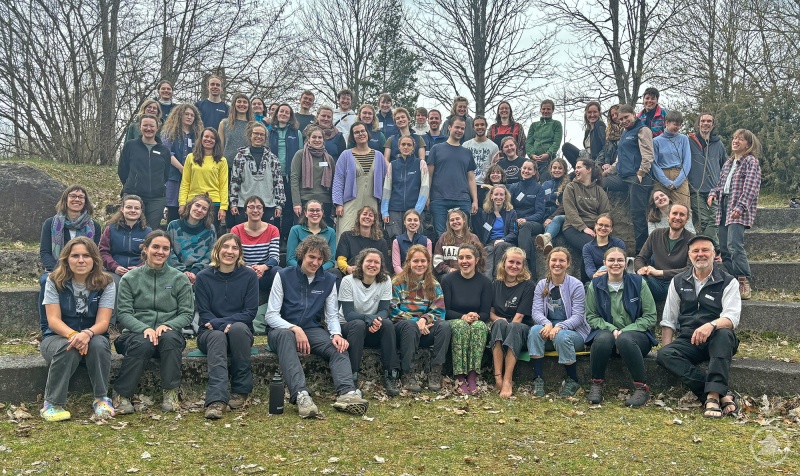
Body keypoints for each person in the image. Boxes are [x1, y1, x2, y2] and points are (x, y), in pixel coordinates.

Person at [264, 235, 370, 418]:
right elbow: (271, 315)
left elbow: (331, 315)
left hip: (312, 330)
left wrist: (336, 334)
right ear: (302, 255)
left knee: (339, 347)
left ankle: (347, 393)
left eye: (320, 259)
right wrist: (294, 328)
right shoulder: (283, 275)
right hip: (281, 330)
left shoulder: (328, 280)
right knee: (286, 336)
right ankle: (301, 395)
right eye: (311, 257)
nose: (315, 262)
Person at [656, 235, 741, 418]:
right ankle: (720, 393)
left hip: (719, 339)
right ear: (689, 255)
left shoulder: (728, 281)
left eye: (705, 250)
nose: (700, 254)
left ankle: (711, 396)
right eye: (695, 251)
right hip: (689, 340)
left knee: (724, 333)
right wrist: (668, 347)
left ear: (714, 254)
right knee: (664, 354)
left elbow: (732, 318)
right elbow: (668, 319)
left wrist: (710, 325)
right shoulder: (678, 281)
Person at [113, 230, 194, 414]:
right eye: (155, 247)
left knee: (170, 337)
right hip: (135, 336)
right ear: (145, 248)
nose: (160, 252)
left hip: (168, 336)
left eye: (165, 248)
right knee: (144, 341)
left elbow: (187, 313)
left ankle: (171, 393)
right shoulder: (130, 278)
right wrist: (145, 328)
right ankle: (121, 394)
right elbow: (124, 314)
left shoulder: (179, 278)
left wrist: (169, 325)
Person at [39, 237, 116, 421]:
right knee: (68, 348)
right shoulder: (53, 280)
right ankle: (52, 404)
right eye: (75, 256)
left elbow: (103, 322)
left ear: (94, 260)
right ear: (66, 259)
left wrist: (87, 333)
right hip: (56, 336)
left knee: (98, 344)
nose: (81, 260)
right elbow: (53, 320)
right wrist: (74, 335)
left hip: (93, 334)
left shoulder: (106, 282)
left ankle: (101, 399)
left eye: (86, 256)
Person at [194, 234, 259, 419]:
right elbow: (205, 314)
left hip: (239, 332)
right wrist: (222, 326)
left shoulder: (249, 276)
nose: (230, 251)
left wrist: (225, 323)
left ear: (240, 253)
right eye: (226, 247)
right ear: (217, 250)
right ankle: (216, 400)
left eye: (234, 248)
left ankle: (241, 390)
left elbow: (250, 312)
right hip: (209, 333)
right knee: (217, 336)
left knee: (238, 328)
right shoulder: (203, 277)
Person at [585, 247, 657, 407]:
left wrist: (625, 331)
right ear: (604, 263)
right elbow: (591, 316)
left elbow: (650, 316)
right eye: (611, 260)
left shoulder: (639, 283)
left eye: (619, 260)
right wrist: (612, 329)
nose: (615, 263)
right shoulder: (594, 285)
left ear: (626, 263)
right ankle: (596, 384)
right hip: (608, 338)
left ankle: (641, 388)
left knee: (624, 339)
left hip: (636, 339)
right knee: (603, 338)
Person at [39, 186, 103, 333]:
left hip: (84, 269)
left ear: (85, 202)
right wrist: (58, 271)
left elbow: (95, 254)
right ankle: (46, 327)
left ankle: (92, 326)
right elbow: (45, 252)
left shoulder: (95, 226)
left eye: (81, 197)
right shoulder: (50, 223)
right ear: (65, 199)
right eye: (73, 196)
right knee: (45, 281)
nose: (77, 199)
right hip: (57, 268)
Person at [527, 247, 590, 397]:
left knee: (560, 336)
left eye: (562, 260)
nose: (557, 263)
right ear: (548, 262)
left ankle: (573, 380)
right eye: (554, 260)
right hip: (549, 330)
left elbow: (578, 316)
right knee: (535, 331)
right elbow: (536, 311)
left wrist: (560, 326)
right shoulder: (542, 285)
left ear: (568, 263)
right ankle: (538, 379)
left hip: (574, 334)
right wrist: (547, 324)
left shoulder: (576, 285)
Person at [709, 129, 762, 300]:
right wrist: (713, 193)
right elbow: (721, 184)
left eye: (740, 139)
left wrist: (740, 207)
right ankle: (732, 282)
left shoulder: (750, 161)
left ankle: (743, 280)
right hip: (724, 206)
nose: (736, 141)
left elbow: (751, 188)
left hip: (738, 209)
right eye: (734, 138)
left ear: (748, 144)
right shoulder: (728, 163)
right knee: (724, 247)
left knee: (734, 245)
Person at [338, 248, 399, 395]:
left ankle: (390, 373)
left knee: (388, 324)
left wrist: (376, 321)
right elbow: (348, 314)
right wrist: (370, 319)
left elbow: (384, 310)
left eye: (376, 262)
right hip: (349, 326)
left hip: (373, 326)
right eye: (369, 261)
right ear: (361, 263)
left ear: (381, 265)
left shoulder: (385, 280)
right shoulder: (348, 281)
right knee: (358, 325)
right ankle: (352, 375)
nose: (372, 265)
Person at [391, 245, 451, 392]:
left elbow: (439, 311)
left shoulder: (434, 284)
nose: (419, 264)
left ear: (428, 263)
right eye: (415, 261)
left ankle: (436, 371)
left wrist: (424, 319)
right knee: (410, 327)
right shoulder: (397, 282)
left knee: (444, 326)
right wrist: (416, 322)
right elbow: (392, 309)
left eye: (423, 261)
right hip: (403, 330)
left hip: (425, 329)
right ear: (408, 262)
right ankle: (407, 372)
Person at [602, 104, 654, 253]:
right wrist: (605, 173)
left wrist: (641, 173)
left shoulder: (642, 130)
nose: (624, 121)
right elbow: (619, 160)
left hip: (638, 178)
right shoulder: (625, 133)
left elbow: (648, 156)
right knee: (599, 182)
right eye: (621, 119)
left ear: (634, 114)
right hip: (622, 176)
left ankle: (641, 252)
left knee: (637, 215)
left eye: (626, 117)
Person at [441, 244, 492, 394]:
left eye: (468, 257)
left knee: (480, 327)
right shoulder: (448, 280)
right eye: (461, 258)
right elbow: (445, 310)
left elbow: (485, 313)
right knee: (461, 326)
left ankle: (472, 375)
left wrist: (475, 316)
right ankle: (459, 376)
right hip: (454, 319)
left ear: (476, 260)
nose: (464, 261)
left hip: (476, 320)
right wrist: (463, 317)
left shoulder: (485, 282)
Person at [489, 247, 535, 398]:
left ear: (523, 266)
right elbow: (490, 312)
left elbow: (520, 316)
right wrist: (498, 319)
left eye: (518, 263)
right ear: (504, 262)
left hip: (520, 327)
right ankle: (498, 376)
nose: (514, 266)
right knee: (498, 324)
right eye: (511, 262)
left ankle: (508, 379)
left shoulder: (528, 285)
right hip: (500, 327)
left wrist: (507, 326)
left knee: (514, 327)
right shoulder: (495, 284)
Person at [332, 122, 387, 240]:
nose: (360, 134)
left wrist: (383, 206)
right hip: (350, 202)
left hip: (372, 201)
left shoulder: (379, 156)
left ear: (367, 133)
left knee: (370, 235)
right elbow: (338, 180)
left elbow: (385, 182)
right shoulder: (345, 155)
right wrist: (338, 203)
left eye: (363, 131)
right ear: (352, 136)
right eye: (356, 132)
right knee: (345, 233)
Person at [118, 114, 171, 229]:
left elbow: (166, 174)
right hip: (133, 194)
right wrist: (132, 184)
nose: (148, 128)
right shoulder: (130, 146)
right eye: (145, 125)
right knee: (130, 227)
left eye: (152, 126)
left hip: (157, 198)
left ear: (157, 128)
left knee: (151, 231)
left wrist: (158, 185)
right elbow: (122, 170)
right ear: (139, 127)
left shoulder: (164, 150)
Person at [428, 117, 479, 238]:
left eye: (462, 128)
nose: (459, 130)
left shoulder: (467, 152)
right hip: (439, 199)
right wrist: (427, 196)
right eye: (457, 127)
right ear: (449, 127)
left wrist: (475, 200)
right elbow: (429, 176)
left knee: (463, 236)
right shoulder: (436, 149)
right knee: (442, 236)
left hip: (462, 199)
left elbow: (471, 178)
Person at [229, 121, 285, 227]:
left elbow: (278, 183)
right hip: (244, 205)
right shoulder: (240, 156)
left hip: (268, 205)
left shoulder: (272, 158)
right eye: (256, 133)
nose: (258, 136)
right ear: (250, 135)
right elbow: (235, 181)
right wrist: (233, 203)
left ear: (265, 137)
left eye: (262, 134)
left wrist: (279, 205)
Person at [634, 203, 693, 301]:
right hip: (655, 281)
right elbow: (640, 258)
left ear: (686, 220)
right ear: (668, 216)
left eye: (682, 215)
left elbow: (690, 269)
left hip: (677, 282)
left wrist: (660, 272)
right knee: (637, 281)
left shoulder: (692, 240)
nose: (677, 217)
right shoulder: (656, 234)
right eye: (674, 213)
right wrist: (642, 269)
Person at [561, 158, 611, 269]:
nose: (575, 170)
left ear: (589, 169)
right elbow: (570, 212)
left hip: (595, 228)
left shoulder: (599, 191)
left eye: (579, 167)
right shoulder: (571, 187)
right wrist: (584, 228)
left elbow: (605, 213)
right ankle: (589, 281)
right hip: (573, 227)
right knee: (590, 246)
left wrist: (599, 227)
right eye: (575, 168)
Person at [229, 195, 281, 301]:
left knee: (278, 271)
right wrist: (247, 269)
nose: (255, 210)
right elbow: (233, 256)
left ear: (263, 211)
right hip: (243, 272)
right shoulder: (236, 230)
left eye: (259, 207)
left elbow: (275, 257)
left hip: (263, 273)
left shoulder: (273, 230)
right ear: (245, 211)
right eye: (251, 207)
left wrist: (262, 268)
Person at [179, 127, 228, 234]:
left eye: (212, 138)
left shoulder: (222, 160)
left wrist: (223, 207)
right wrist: (182, 203)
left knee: (210, 235)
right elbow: (185, 183)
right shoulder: (190, 157)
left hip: (214, 203)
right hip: (192, 202)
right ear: (201, 138)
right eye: (206, 136)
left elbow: (223, 185)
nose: (209, 140)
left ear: (216, 141)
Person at [160, 103, 204, 223]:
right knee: (173, 207)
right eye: (186, 114)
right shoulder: (170, 132)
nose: (189, 117)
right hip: (173, 175)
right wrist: (181, 167)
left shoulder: (198, 135)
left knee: (190, 207)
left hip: (192, 177)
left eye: (192, 115)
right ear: (180, 115)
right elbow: (166, 152)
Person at [381, 135, 430, 239]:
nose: (406, 147)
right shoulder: (392, 165)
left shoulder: (421, 164)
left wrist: (417, 211)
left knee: (415, 243)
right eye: (403, 144)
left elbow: (425, 189)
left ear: (413, 147)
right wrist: (384, 211)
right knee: (395, 241)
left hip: (415, 210)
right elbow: (387, 189)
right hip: (395, 210)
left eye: (409, 145)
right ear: (399, 146)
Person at [687, 113, 726, 243]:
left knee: (716, 219)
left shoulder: (718, 144)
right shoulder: (689, 141)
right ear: (698, 124)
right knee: (704, 221)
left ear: (713, 125)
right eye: (703, 121)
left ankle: (714, 249)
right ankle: (715, 249)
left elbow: (725, 166)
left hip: (714, 189)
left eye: (709, 121)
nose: (706, 123)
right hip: (695, 189)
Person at [99, 195, 152, 288]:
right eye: (129, 207)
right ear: (122, 209)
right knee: (115, 285)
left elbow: (151, 255)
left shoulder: (148, 232)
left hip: (140, 272)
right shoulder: (110, 229)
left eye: (136, 208)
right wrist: (115, 267)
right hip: (114, 272)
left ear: (140, 211)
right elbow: (103, 251)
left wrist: (141, 268)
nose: (133, 210)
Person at [269, 103, 303, 237]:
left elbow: (300, 154)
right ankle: (275, 235)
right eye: (281, 111)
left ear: (290, 116)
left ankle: (286, 236)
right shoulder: (269, 131)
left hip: (290, 176)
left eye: (287, 112)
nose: (283, 114)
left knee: (288, 207)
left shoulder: (296, 133)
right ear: (276, 114)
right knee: (274, 207)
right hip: (273, 176)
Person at [167, 194, 217, 285]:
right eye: (197, 205)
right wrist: (183, 271)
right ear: (190, 206)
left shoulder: (210, 229)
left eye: (204, 209)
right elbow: (168, 251)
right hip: (175, 272)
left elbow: (211, 253)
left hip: (201, 273)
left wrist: (195, 271)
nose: (199, 210)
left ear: (207, 213)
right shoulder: (173, 226)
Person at [290, 126, 336, 221]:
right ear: (308, 139)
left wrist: (334, 205)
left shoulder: (329, 158)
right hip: (304, 201)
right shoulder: (300, 155)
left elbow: (334, 183)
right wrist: (296, 203)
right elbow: (294, 179)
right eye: (314, 137)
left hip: (325, 202)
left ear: (323, 140)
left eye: (320, 137)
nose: (317, 140)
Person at [511, 160, 546, 276]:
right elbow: (510, 208)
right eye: (524, 168)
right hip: (516, 221)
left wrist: (526, 219)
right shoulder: (514, 187)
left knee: (525, 227)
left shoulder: (539, 189)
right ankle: (530, 269)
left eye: (529, 169)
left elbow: (540, 213)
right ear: (521, 169)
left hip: (534, 223)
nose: (526, 171)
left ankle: (524, 261)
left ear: (534, 172)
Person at [652, 110, 692, 208]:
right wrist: (666, 182)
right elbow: (654, 164)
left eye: (679, 125)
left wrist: (678, 182)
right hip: (661, 175)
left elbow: (687, 161)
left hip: (680, 175)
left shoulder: (683, 139)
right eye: (675, 124)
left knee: (683, 207)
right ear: (667, 123)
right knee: (661, 209)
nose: (677, 127)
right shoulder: (656, 141)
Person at [337, 206, 390, 276]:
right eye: (364, 214)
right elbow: (341, 259)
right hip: (350, 274)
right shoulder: (346, 236)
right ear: (359, 218)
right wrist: (348, 268)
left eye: (370, 215)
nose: (367, 217)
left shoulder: (381, 242)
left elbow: (384, 265)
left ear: (374, 221)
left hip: (372, 276)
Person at [478, 185, 518, 279]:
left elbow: (514, 233)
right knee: (488, 249)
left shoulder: (512, 213)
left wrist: (503, 239)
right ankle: (487, 281)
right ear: (491, 196)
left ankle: (497, 278)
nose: (498, 197)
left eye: (501, 195)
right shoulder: (485, 213)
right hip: (491, 243)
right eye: (496, 194)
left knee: (500, 246)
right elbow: (483, 232)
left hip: (506, 242)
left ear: (505, 197)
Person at [286, 200, 337, 271]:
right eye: (311, 210)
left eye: (318, 210)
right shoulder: (295, 230)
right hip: (300, 271)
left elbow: (331, 261)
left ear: (322, 213)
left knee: (335, 272)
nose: (315, 213)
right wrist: (304, 270)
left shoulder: (331, 232)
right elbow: (290, 259)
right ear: (305, 213)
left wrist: (317, 271)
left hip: (322, 271)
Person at [433, 209, 482, 277]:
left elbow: (480, 260)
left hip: (469, 275)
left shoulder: (473, 238)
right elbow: (437, 259)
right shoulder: (443, 237)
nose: (455, 222)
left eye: (457, 219)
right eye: (452, 220)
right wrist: (448, 269)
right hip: (448, 275)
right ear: (449, 223)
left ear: (464, 220)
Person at [536, 158, 570, 256]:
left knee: (553, 220)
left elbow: (565, 204)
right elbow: (540, 202)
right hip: (545, 214)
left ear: (564, 171)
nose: (557, 170)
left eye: (560, 168)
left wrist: (551, 218)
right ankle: (548, 243)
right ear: (550, 169)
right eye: (554, 168)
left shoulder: (568, 185)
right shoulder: (546, 184)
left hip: (560, 214)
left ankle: (546, 239)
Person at [219, 93, 253, 182]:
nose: (242, 104)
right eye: (239, 101)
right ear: (234, 104)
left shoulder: (253, 125)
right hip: (228, 166)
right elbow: (220, 147)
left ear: (249, 106)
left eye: (245, 102)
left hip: (248, 167)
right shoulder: (224, 123)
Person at [582, 213, 626, 280]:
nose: (603, 228)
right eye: (600, 225)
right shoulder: (587, 247)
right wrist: (594, 275)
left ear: (611, 229)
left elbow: (622, 263)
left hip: (617, 277)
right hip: (597, 279)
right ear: (595, 226)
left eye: (607, 226)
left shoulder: (618, 243)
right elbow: (589, 267)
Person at [526, 99, 563, 177]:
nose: (546, 111)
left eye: (548, 109)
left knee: (545, 183)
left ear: (552, 110)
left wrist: (548, 154)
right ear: (540, 110)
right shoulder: (534, 125)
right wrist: (532, 155)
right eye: (544, 109)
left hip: (548, 161)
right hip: (534, 160)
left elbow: (556, 142)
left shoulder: (556, 124)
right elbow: (528, 142)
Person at [390, 209, 432, 275]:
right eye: (409, 220)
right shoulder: (397, 241)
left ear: (419, 222)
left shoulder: (427, 241)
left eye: (415, 220)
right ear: (404, 222)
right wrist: (407, 278)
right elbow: (396, 266)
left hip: (422, 277)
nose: (412, 222)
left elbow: (428, 263)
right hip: (403, 277)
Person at [463, 115, 500, 189]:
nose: (479, 127)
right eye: (477, 125)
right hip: (468, 184)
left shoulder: (494, 146)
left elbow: (495, 169)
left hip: (485, 185)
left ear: (486, 126)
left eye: (482, 124)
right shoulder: (465, 145)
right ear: (473, 128)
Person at [597, 104, 622, 170]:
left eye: (616, 114)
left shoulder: (627, 129)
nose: (614, 117)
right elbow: (607, 149)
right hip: (610, 162)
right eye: (612, 115)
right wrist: (606, 163)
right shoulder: (609, 132)